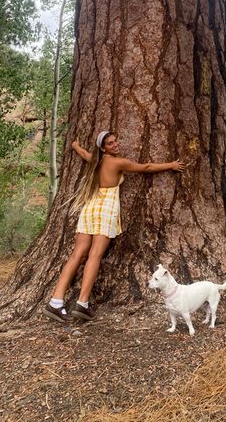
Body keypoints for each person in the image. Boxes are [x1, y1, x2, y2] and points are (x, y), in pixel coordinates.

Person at [43, 130, 185, 322]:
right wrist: (171, 165)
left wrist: (75, 146)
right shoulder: (118, 162)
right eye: (110, 143)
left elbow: (84, 154)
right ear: (103, 148)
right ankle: (82, 303)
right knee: (94, 255)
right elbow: (147, 167)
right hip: (105, 210)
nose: (116, 144)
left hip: (89, 207)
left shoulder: (95, 159)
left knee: (77, 254)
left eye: (115, 141)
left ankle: (56, 301)